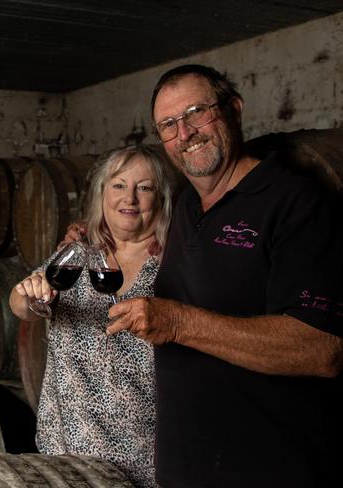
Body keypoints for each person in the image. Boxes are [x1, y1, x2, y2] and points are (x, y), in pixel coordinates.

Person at [107, 64, 343, 487]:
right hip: (186, 470)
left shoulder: (293, 201)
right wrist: (85, 235)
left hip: (269, 471)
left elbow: (323, 349)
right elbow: (128, 226)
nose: (186, 133)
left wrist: (178, 323)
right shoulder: (185, 206)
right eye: (168, 124)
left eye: (198, 111)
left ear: (233, 109)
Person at [10, 145, 174, 488]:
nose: (130, 197)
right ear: (101, 194)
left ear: (160, 199)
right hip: (66, 456)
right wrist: (28, 298)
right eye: (118, 185)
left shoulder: (175, 265)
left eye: (144, 188)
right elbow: (19, 303)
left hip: (144, 458)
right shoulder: (77, 254)